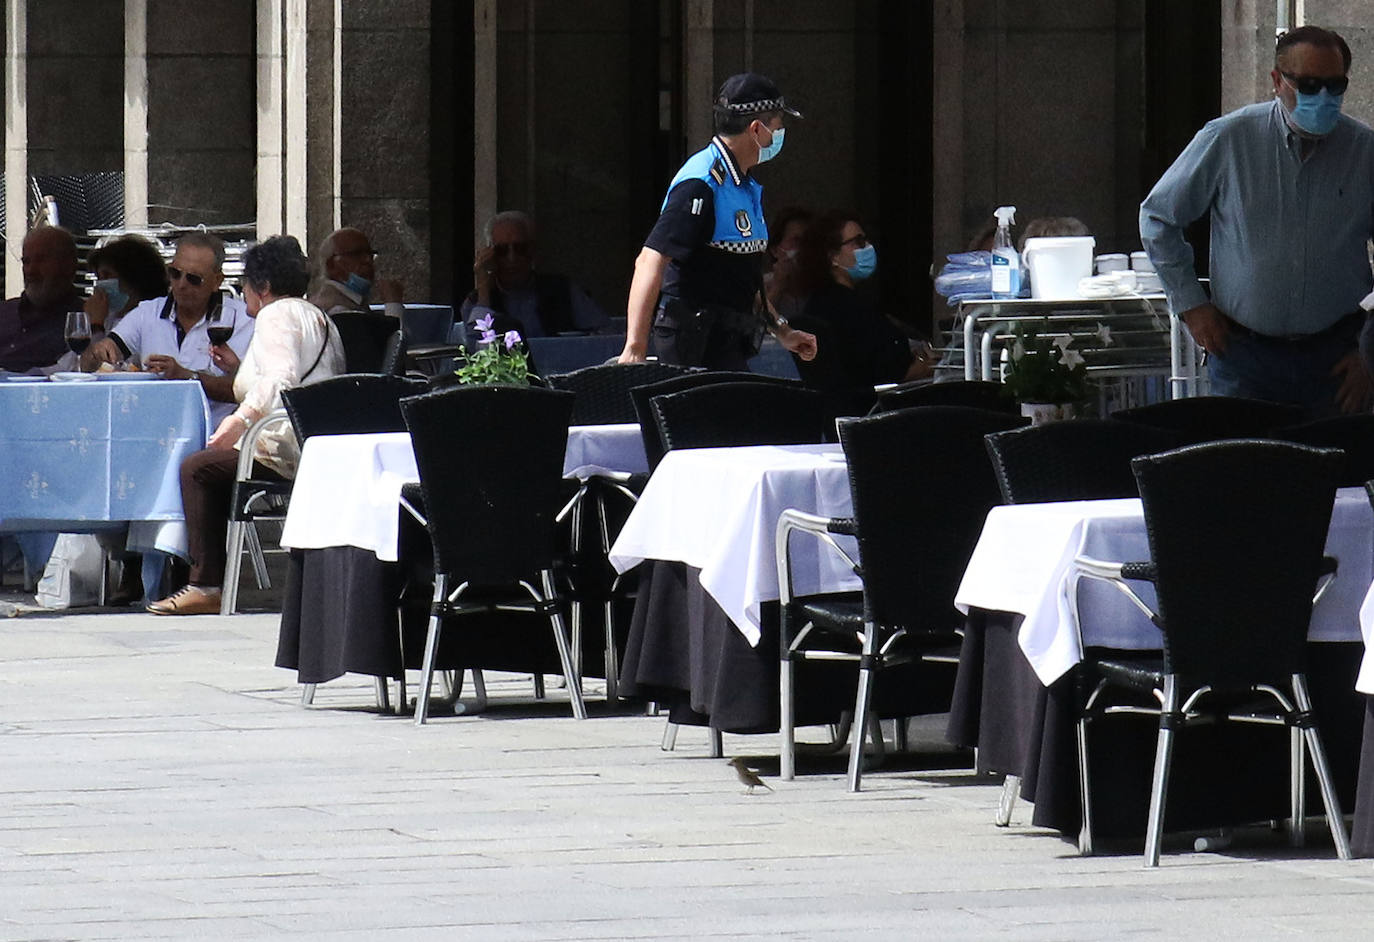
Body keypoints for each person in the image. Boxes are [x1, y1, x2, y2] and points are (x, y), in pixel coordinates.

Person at [1140, 25, 1374, 418]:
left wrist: (1371, 353)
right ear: (1277, 81)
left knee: (1339, 473)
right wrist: (1192, 306)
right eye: (1309, 85)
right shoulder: (1229, 139)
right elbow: (1159, 218)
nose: (1322, 97)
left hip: (1337, 355)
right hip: (1245, 354)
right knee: (1246, 473)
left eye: (1335, 86)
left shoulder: (1363, 151)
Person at [146, 235, 344, 616]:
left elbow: (281, 379)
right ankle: (211, 576)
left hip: (286, 447)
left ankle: (204, 584)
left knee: (196, 467)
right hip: (317, 441)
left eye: (246, 287)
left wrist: (237, 423)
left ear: (263, 287)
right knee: (212, 466)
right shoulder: (315, 315)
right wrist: (238, 371)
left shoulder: (275, 315)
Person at [618, 72, 817, 369]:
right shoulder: (702, 182)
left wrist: (783, 331)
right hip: (692, 342)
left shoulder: (743, 185)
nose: (781, 132)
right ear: (756, 129)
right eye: (778, 124)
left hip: (726, 338)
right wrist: (634, 349)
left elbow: (740, 278)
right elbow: (649, 260)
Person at [83, 232, 254, 426]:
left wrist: (188, 377)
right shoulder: (148, 313)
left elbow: (246, 390)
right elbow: (90, 365)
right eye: (175, 274)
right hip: (151, 428)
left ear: (217, 281)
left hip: (214, 433)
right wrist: (100, 351)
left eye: (194, 279)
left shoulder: (242, 320)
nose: (181, 284)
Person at [789, 211, 933, 417]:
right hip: (877, 413)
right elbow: (883, 372)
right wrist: (922, 368)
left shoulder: (823, 302)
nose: (867, 247)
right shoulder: (847, 309)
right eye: (858, 242)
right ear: (833, 257)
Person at [461, 210, 609, 342]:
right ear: (490, 256)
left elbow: (603, 334)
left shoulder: (562, 289)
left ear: (532, 251)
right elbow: (476, 348)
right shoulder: (476, 302)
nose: (511, 258)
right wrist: (483, 286)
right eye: (502, 250)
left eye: (520, 248)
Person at [0, 226, 81, 372]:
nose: (31, 270)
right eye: (26, 262)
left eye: (41, 260)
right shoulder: (4, 311)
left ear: (69, 265)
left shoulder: (81, 322)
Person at [84, 234, 169, 338]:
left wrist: (96, 326)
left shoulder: (150, 324)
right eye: (98, 277)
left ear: (133, 278)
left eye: (107, 275)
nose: (100, 284)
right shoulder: (109, 317)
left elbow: (100, 353)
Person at [308, 227, 405, 317]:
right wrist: (393, 304)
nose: (367, 260)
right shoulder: (337, 310)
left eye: (370, 254)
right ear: (331, 265)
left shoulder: (354, 301)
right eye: (356, 254)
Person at [764, 205, 813, 324]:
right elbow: (757, 326)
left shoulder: (818, 289)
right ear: (775, 250)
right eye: (796, 241)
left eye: (808, 241)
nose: (803, 248)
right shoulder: (760, 286)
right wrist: (778, 287)